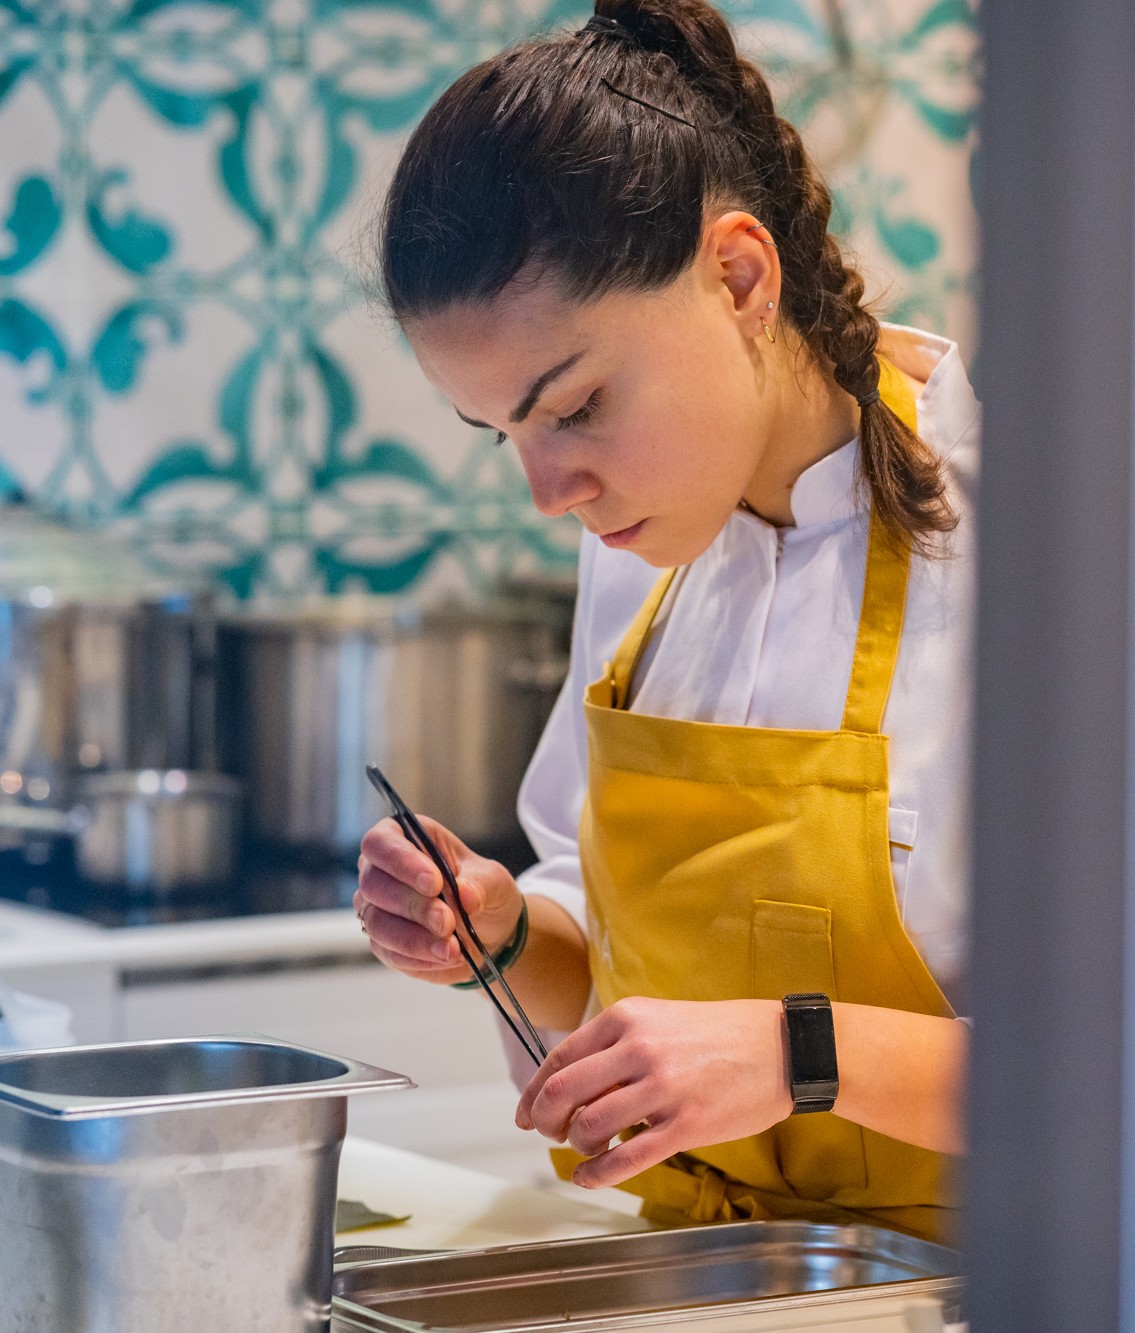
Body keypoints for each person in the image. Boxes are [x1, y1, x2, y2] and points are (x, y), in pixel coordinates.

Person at [351, 0, 975, 1244]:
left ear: (739, 279)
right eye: (507, 435)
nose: (550, 492)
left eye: (576, 405)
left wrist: (797, 1054)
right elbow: (607, 966)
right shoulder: (644, 539)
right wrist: (503, 931)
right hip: (710, 1275)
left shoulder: (1032, 555)